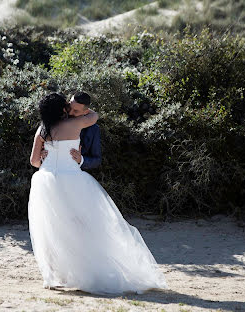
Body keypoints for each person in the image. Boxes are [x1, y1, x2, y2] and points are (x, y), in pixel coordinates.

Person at [28, 92, 169, 295]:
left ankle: (51, 276)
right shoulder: (75, 125)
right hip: (72, 179)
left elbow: (34, 162)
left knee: (50, 227)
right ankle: (85, 270)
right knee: (83, 225)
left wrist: (46, 158)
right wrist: (76, 108)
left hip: (46, 179)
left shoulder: (41, 130)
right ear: (62, 109)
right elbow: (94, 116)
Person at [39, 91, 102, 170]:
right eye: (69, 106)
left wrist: (81, 160)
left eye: (76, 111)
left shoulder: (93, 129)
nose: (70, 112)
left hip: (74, 175)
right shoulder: (53, 122)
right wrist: (41, 157)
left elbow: (97, 160)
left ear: (86, 112)